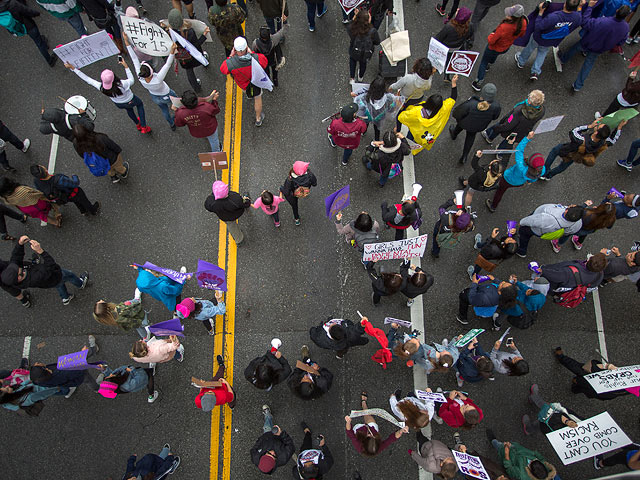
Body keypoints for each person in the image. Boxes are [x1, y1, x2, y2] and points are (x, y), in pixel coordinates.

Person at [559, 2, 629, 92]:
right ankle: (578, 85)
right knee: (588, 65)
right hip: (600, 49)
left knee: (575, 48)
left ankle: (563, 59)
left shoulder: (602, 21)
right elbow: (621, 42)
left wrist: (589, 8)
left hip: (588, 42)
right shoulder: (625, 28)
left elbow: (585, 23)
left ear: (617, 11)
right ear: (626, 16)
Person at [65, 60, 150, 134]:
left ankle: (137, 124)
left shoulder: (101, 87)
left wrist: (73, 68)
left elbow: (87, 79)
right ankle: (143, 126)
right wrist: (126, 67)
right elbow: (132, 80)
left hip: (119, 104)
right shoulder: (122, 84)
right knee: (140, 105)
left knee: (129, 110)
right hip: (131, 99)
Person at [1, 236, 88, 305]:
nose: (17, 266)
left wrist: (20, 244)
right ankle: (81, 284)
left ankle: (65, 297)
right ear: (19, 277)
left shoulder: (16, 278)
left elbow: (15, 258)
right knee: (69, 275)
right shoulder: (35, 278)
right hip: (56, 275)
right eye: (17, 270)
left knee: (59, 285)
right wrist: (41, 251)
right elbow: (51, 265)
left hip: (50, 282)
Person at [514, 0, 582, 81]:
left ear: (564, 4)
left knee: (530, 47)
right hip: (552, 40)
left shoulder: (554, 17)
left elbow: (540, 26)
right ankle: (535, 71)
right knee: (542, 53)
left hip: (539, 37)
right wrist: (580, 6)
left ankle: (521, 61)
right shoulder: (577, 17)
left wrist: (540, 13)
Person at [541, 120, 624, 181]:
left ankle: (544, 172)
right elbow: (613, 140)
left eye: (598, 126)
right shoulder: (602, 143)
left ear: (596, 132)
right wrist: (619, 128)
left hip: (566, 149)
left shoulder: (581, 140)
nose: (597, 124)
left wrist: (589, 126)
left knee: (554, 152)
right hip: (575, 156)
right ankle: (549, 175)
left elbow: (574, 131)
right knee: (563, 166)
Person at [125, 35, 178, 130]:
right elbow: (168, 64)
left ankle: (171, 124)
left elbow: (134, 59)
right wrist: (172, 51)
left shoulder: (140, 77)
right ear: (151, 72)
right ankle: (180, 115)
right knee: (177, 104)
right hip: (167, 94)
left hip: (155, 96)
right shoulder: (158, 78)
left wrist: (127, 42)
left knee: (164, 110)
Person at [398, 76, 459, 154]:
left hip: (415, 130)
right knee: (420, 143)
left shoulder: (416, 111)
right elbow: (453, 98)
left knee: (410, 137)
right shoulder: (444, 108)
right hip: (426, 135)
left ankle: (407, 146)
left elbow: (402, 117)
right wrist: (454, 83)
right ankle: (415, 149)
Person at [473, 5, 527, 90]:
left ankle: (478, 81)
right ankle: (490, 64)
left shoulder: (504, 27)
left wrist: (491, 35)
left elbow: (491, 41)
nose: (507, 15)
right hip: (506, 47)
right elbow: (522, 35)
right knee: (495, 55)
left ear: (513, 17)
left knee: (483, 62)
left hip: (494, 47)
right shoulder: (523, 23)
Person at [486, 132, 544, 213]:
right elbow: (533, 179)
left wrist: (527, 138)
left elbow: (519, 150)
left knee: (500, 192)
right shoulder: (542, 169)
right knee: (502, 190)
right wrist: (529, 181)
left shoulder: (521, 166)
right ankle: (493, 205)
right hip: (518, 183)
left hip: (507, 178)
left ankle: (493, 206)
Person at [220, 36, 269, 126]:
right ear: (247, 47)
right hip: (256, 83)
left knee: (248, 92)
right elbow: (265, 62)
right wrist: (252, 53)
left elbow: (223, 69)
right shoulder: (256, 58)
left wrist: (230, 56)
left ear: (234, 49)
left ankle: (249, 95)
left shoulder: (231, 63)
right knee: (257, 98)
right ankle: (258, 118)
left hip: (243, 85)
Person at [30, 338, 103, 397]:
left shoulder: (40, 381)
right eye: (38, 365)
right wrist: (82, 354)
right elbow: (79, 369)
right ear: (44, 370)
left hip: (69, 376)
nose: (36, 363)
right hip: (78, 373)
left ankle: (93, 350)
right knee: (87, 378)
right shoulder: (62, 374)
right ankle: (97, 388)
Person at [481, 90, 546, 156]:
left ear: (529, 101)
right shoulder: (542, 110)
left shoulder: (519, 111)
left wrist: (497, 127)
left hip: (511, 128)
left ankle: (489, 136)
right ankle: (500, 153)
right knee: (508, 142)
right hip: (521, 132)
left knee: (498, 127)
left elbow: (508, 124)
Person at [450, 83, 501, 164]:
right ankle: (464, 156)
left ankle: (454, 134)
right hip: (478, 126)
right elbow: (495, 117)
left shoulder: (471, 103)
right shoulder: (496, 106)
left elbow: (457, 113)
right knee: (470, 137)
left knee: (459, 126)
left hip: (464, 122)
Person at [345, 392, 409, 457]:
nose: (370, 434)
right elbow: (392, 438)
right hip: (372, 428)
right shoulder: (378, 447)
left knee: (367, 415)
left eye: (369, 436)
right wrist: (401, 431)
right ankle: (363, 404)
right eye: (373, 437)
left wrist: (348, 422)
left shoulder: (358, 446)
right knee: (368, 416)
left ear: (363, 444)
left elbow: (349, 432)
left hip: (358, 431)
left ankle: (363, 402)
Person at [553, 346, 629, 400]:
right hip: (604, 391)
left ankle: (561, 357)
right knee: (584, 387)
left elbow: (594, 368)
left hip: (599, 383)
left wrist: (607, 366)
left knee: (578, 368)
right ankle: (575, 388)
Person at [0, 0, 58, 66]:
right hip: (29, 25)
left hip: (20, 28)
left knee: (37, 38)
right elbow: (27, 11)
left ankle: (44, 44)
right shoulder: (12, 4)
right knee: (39, 43)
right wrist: (37, 13)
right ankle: (50, 60)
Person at [165, 9, 210, 93]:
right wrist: (204, 35)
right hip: (193, 56)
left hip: (183, 58)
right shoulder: (190, 32)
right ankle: (205, 62)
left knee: (189, 72)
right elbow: (196, 45)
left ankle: (196, 88)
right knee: (201, 57)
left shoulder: (168, 33)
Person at [515, 204, 584, 257]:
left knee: (524, 234)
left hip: (535, 228)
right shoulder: (578, 223)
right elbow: (567, 233)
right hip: (544, 232)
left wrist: (521, 222)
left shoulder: (549, 216)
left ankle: (522, 251)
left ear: (566, 210)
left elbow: (532, 221)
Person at [485, 429, 557, 480]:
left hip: (510, 454)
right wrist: (533, 453)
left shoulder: (521, 475)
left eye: (530, 463)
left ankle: (493, 440)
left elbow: (509, 468)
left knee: (499, 446)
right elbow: (541, 458)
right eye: (533, 460)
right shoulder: (545, 467)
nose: (530, 461)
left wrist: (506, 453)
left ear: (530, 471)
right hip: (518, 448)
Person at [31, 164, 100, 217]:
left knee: (76, 202)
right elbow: (75, 183)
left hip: (64, 197)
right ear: (45, 170)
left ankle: (83, 211)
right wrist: (74, 176)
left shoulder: (37, 182)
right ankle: (93, 210)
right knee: (84, 201)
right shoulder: (59, 180)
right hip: (75, 192)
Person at [388, 324, 459, 374]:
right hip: (426, 364)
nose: (445, 350)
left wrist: (393, 329)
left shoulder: (422, 352)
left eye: (445, 352)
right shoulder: (452, 358)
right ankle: (425, 369)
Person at [353, 76, 402, 141]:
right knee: (377, 128)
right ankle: (376, 140)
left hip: (367, 115)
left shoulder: (366, 95)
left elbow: (358, 101)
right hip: (379, 116)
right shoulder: (388, 97)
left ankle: (363, 131)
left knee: (366, 123)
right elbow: (393, 105)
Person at [391, 58, 437, 126]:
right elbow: (428, 87)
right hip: (417, 98)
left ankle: (399, 126)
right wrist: (431, 75)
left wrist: (389, 88)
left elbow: (395, 86)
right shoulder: (428, 82)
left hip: (404, 97)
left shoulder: (408, 78)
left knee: (400, 111)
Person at [250, 405, 295, 474]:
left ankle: (268, 416)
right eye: (274, 456)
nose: (273, 452)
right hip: (281, 440)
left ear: (263, 455)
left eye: (269, 453)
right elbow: (290, 445)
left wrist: (266, 435)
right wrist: (281, 434)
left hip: (268, 435)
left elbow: (255, 447)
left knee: (267, 426)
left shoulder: (255, 457)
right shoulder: (283, 458)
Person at [205, 180, 251, 245]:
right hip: (237, 213)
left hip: (225, 217)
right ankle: (246, 198)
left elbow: (208, 207)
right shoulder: (235, 198)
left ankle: (239, 240)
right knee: (245, 200)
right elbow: (242, 204)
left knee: (232, 227)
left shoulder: (210, 201)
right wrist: (247, 203)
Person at [435, 7, 474, 82]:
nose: (457, 10)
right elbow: (470, 36)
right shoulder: (470, 26)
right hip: (457, 48)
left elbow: (439, 37)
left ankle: (437, 68)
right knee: (450, 60)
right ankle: (447, 75)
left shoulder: (449, 26)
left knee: (442, 58)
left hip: (445, 48)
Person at [541, 253, 607, 293]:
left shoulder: (569, 272)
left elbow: (553, 276)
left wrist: (542, 270)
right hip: (568, 287)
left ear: (588, 260)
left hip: (552, 284)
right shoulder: (599, 275)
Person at [279, 161, 317, 226]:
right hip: (305, 190)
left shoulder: (290, 179)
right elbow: (314, 184)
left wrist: (281, 189)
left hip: (294, 195)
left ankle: (297, 219)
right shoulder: (310, 175)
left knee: (294, 206)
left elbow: (287, 192)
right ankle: (305, 194)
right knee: (304, 192)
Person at [348, 9, 380, 83]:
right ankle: (360, 76)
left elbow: (349, 28)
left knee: (352, 62)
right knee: (363, 64)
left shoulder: (353, 28)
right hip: (365, 53)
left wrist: (355, 16)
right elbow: (377, 42)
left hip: (354, 50)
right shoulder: (372, 31)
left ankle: (352, 78)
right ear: (368, 21)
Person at [252, 24, 287, 88]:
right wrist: (285, 23)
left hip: (263, 62)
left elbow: (254, 53)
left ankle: (268, 84)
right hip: (273, 60)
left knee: (266, 72)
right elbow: (281, 32)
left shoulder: (255, 43)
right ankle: (275, 81)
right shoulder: (274, 39)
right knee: (275, 71)